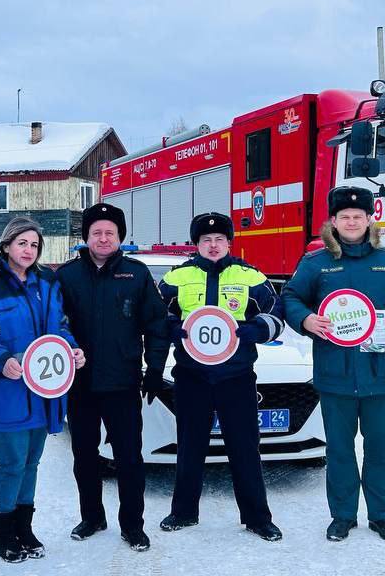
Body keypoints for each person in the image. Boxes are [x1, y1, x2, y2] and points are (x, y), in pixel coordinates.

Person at [279, 186, 385, 544]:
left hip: (382, 374)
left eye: (357, 216)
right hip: (336, 375)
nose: (351, 222)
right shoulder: (317, 263)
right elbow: (291, 297)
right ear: (333, 221)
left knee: (381, 449)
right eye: (344, 216)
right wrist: (306, 320)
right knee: (339, 450)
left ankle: (382, 516)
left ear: (368, 219)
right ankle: (342, 515)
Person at [156, 213, 285, 542]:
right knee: (189, 446)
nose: (212, 245)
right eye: (205, 240)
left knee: (245, 447)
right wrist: (173, 329)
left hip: (236, 376)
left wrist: (252, 330)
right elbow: (158, 315)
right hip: (191, 376)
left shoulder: (251, 276)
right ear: (196, 244)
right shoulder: (177, 276)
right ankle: (183, 512)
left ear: (229, 242)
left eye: (219, 240)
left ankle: (257, 517)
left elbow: (276, 316)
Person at [0, 217, 86, 563]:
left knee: (32, 461)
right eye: (22, 243)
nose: (29, 250)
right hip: (7, 387)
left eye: (34, 245)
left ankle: (23, 526)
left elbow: (59, 326)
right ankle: (2, 532)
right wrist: (0, 359)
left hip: (43, 389)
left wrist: (71, 349)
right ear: (6, 246)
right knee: (12, 461)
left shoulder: (47, 282)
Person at [55, 203, 168, 551]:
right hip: (81, 384)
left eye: (110, 233)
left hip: (123, 382)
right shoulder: (66, 276)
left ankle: (133, 524)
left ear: (120, 237)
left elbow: (157, 325)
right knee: (85, 455)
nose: (103, 238)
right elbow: (54, 326)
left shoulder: (136, 274)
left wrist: (155, 370)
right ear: (85, 237)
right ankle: (92, 516)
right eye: (96, 232)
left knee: (129, 457)